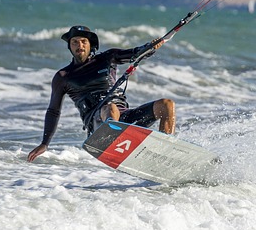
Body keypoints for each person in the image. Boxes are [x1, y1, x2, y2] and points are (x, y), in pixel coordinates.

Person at [27, 25, 176, 163]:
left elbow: (135, 53)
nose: (80, 45)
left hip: (123, 117)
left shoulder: (107, 58)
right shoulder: (63, 76)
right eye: (75, 42)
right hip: (98, 124)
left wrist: (149, 47)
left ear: (90, 44)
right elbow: (53, 111)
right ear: (69, 46)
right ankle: (114, 141)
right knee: (110, 108)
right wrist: (44, 143)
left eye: (84, 41)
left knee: (166, 105)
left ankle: (165, 153)